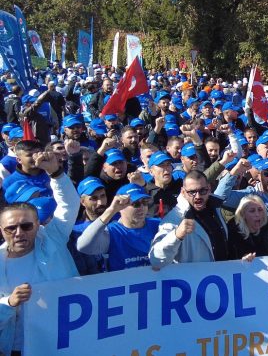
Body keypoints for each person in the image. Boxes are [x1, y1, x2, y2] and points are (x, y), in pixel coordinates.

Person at [0, 151, 79, 355]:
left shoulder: (53, 240)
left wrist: (56, 173)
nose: (19, 233)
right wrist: (9, 303)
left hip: (63, 342)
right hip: (15, 348)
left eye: (26, 226)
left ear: (38, 225)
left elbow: (69, 205)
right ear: (2, 230)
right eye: (11, 228)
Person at [149, 163, 246, 269]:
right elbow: (156, 260)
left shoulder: (217, 208)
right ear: (183, 192)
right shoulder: (174, 219)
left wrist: (240, 262)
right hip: (193, 283)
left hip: (221, 277)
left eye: (202, 191)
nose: (198, 196)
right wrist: (176, 235)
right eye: (192, 192)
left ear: (209, 188)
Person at [77, 183, 160, 271]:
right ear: (120, 207)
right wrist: (111, 211)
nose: (142, 207)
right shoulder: (112, 232)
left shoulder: (158, 225)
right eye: (136, 204)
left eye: (144, 202)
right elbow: (83, 246)